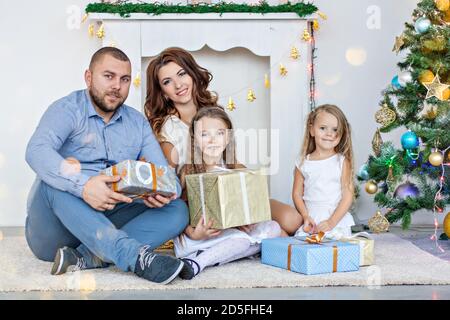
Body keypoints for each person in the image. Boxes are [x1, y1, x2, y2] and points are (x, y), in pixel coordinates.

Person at [25, 47, 189, 285]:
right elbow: (36, 151)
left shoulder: (137, 123)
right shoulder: (67, 109)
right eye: (108, 76)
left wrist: (161, 191)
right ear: (89, 77)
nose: (117, 86)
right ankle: (133, 257)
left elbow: (167, 176)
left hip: (107, 219)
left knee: (177, 209)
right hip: (54, 230)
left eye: (124, 79)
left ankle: (86, 257)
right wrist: (83, 187)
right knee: (52, 180)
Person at [145, 47, 299, 236]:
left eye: (182, 74)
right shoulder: (167, 128)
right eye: (168, 81)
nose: (178, 85)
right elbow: (174, 184)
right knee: (274, 232)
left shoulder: (212, 112)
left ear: (192, 74)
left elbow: (232, 161)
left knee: (292, 220)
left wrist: (248, 191)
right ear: (163, 92)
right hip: (201, 201)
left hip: (230, 188)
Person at [173, 107, 281, 280]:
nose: (212, 140)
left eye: (219, 133)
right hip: (196, 236)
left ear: (228, 137)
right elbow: (177, 211)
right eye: (204, 134)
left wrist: (244, 221)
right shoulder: (188, 171)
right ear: (194, 139)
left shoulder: (235, 169)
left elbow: (246, 205)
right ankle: (198, 262)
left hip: (228, 232)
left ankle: (232, 251)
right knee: (244, 241)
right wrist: (194, 233)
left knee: (273, 227)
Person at [292, 104, 355, 239]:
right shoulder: (303, 162)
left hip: (335, 219)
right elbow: (297, 194)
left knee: (334, 248)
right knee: (305, 246)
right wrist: (305, 216)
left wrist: (332, 222)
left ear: (342, 133)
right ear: (312, 130)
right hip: (311, 219)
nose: (329, 134)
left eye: (335, 130)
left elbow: (347, 196)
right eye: (322, 128)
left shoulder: (342, 162)